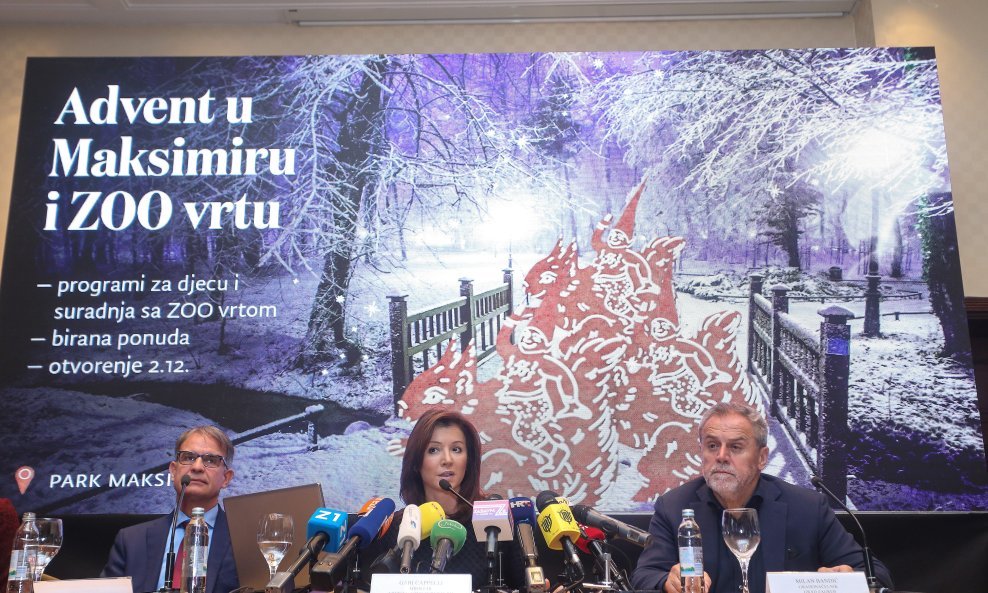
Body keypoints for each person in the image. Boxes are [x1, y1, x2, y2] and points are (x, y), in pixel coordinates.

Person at [632, 402, 893, 593]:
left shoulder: (807, 508)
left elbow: (878, 577)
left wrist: (846, 578)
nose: (721, 456)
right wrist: (667, 581)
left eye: (735, 447)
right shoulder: (675, 507)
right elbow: (644, 576)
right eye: (712, 445)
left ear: (762, 458)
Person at [364, 409, 522, 591]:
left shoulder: (493, 525)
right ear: (416, 462)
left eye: (456, 449)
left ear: (468, 460)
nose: (447, 460)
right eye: (434, 450)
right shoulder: (396, 529)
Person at [102, 425, 239, 593]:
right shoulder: (131, 540)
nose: (197, 467)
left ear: (226, 478)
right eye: (188, 457)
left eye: (210, 460)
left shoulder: (243, 540)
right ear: (173, 471)